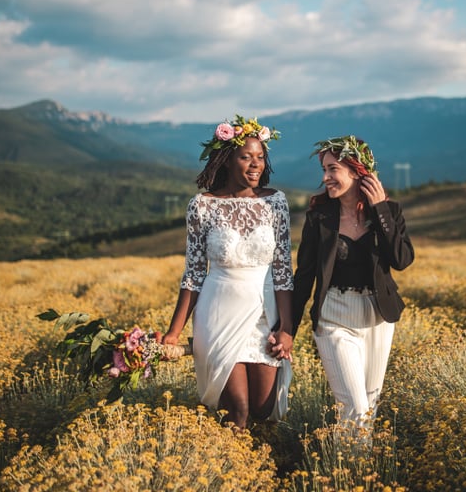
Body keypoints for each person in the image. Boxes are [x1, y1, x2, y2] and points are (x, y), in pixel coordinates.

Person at [162, 115, 294, 429]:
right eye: (246, 157)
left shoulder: (276, 203)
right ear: (226, 159)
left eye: (260, 157)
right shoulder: (202, 205)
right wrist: (173, 333)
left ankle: (261, 464)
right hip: (219, 311)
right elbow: (193, 275)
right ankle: (233, 474)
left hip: (265, 313)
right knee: (238, 411)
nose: (255, 165)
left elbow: (283, 272)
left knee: (263, 410)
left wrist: (287, 328)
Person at [291, 135, 414, 428]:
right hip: (335, 316)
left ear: (356, 171)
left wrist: (380, 208)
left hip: (378, 318)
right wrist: (288, 331)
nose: (325, 178)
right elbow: (304, 276)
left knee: (369, 408)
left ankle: (356, 472)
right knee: (355, 408)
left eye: (332, 169)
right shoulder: (318, 218)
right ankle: (347, 472)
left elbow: (401, 259)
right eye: (324, 170)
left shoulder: (390, 212)